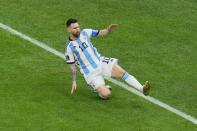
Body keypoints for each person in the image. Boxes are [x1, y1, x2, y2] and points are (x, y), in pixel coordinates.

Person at [65, 18, 150, 99]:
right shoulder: (69, 48)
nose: (78, 29)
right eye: (75, 28)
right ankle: (98, 89)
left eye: (78, 27)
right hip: (90, 73)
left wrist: (108, 29)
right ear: (69, 29)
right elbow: (72, 66)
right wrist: (74, 80)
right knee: (107, 94)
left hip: (100, 62)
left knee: (121, 72)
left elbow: (101, 32)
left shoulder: (85, 32)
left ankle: (142, 88)